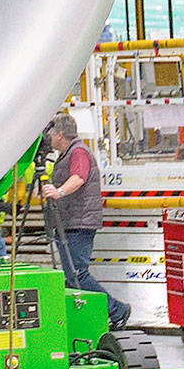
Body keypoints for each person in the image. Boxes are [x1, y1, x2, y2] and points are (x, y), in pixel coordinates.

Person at [39, 113, 131, 329]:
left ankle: (116, 310)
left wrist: (58, 191)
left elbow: (78, 178)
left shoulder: (78, 152)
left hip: (79, 222)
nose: (48, 138)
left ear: (60, 134)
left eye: (50, 134)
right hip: (72, 220)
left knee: (77, 273)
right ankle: (100, 313)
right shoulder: (67, 154)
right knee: (72, 275)